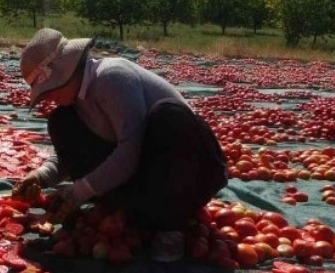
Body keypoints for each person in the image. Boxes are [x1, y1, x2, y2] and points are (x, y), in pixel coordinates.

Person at [12, 28, 228, 261]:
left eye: (48, 90)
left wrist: (78, 192)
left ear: (65, 74)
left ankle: (171, 225)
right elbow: (67, 157)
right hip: (148, 174)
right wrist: (41, 176)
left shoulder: (111, 78)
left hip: (190, 174)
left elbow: (129, 150)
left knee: (169, 116)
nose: (47, 99)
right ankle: (138, 214)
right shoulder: (77, 100)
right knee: (60, 122)